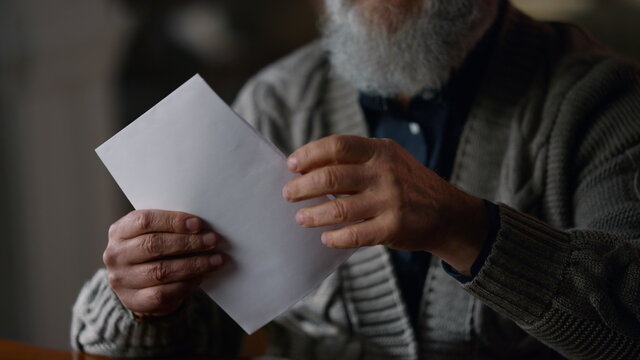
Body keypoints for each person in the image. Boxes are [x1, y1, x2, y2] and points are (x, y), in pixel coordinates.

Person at [71, 0, 640, 358]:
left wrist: (465, 227)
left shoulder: (604, 100)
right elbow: (199, 338)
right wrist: (145, 303)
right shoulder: (278, 99)